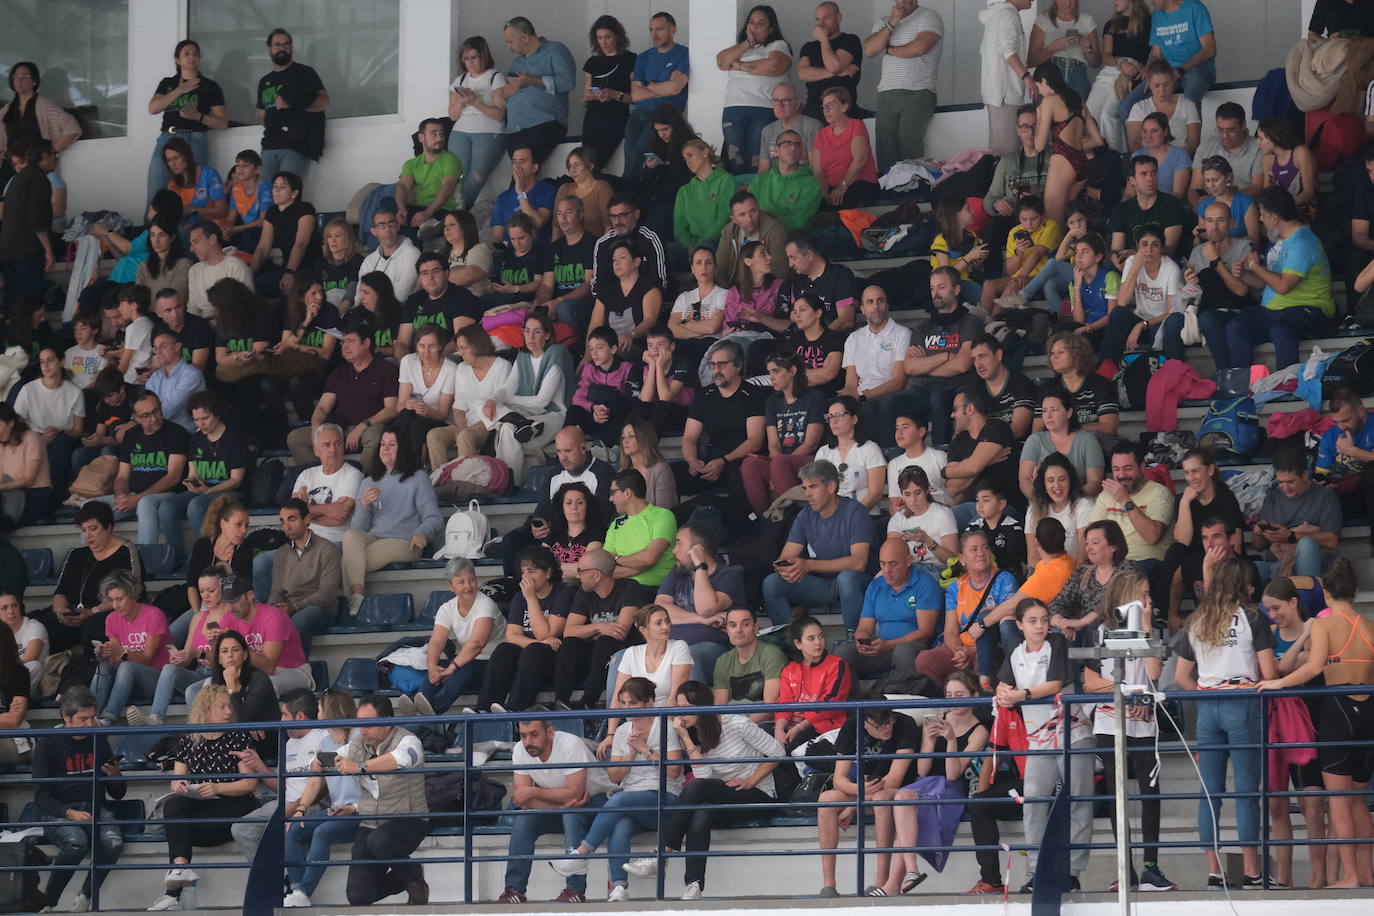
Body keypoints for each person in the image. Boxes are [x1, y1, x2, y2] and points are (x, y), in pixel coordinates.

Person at [1259, 557, 1374, 889]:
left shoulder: (1325, 625)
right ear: (1355, 592)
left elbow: (1313, 668)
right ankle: (1367, 873)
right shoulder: (1369, 626)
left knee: (1338, 799)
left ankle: (1350, 875)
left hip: (1338, 709)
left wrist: (1278, 683)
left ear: (1325, 595)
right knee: (1359, 800)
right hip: (1368, 710)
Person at [1173, 555, 1276, 890]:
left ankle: (1214, 872)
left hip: (1207, 706)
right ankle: (1252, 873)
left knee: (1209, 793)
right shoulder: (1252, 618)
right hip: (1242, 702)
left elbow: (1181, 677)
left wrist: (1206, 694)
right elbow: (1269, 673)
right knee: (1246, 792)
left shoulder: (1198, 619)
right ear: (1245, 587)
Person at [626, 680, 784, 899]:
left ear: (702, 705)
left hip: (758, 793)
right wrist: (685, 738)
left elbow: (778, 751)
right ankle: (693, 886)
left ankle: (661, 855)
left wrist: (750, 780)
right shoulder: (692, 734)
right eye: (679, 707)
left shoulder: (737, 724)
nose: (681, 713)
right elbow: (704, 777)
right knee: (701, 811)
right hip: (724, 796)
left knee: (698, 790)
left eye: (686, 707)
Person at [550, 676, 685, 902]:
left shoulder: (665, 727)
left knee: (619, 801)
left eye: (633, 703)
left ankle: (581, 854)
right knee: (620, 824)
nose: (626, 708)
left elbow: (674, 772)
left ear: (649, 702)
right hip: (632, 800)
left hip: (665, 799)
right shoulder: (622, 731)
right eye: (623, 703)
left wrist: (645, 750)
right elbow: (614, 777)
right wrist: (630, 755)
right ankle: (619, 887)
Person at [1080, 571, 1175, 890]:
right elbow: (1089, 682)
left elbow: (1155, 672)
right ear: (1125, 595)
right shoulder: (1099, 628)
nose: (1149, 600)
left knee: (1150, 792)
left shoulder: (1151, 626)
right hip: (1110, 720)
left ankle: (1151, 867)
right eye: (1143, 594)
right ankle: (1125, 870)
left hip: (1144, 721)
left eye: (1149, 594)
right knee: (1116, 793)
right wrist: (1125, 692)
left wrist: (1147, 628)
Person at [994, 598, 1094, 894]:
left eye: (1044, 619)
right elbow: (1003, 684)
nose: (1040, 626)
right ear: (1019, 625)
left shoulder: (1057, 642)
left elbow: (1055, 684)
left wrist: (1020, 694)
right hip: (1038, 737)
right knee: (1034, 802)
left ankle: (1072, 872)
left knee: (1078, 801)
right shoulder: (1015, 651)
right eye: (1033, 621)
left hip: (1072, 732)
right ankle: (1038, 870)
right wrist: (1003, 692)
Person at [147, 683, 260, 911]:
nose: (228, 711)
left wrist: (218, 788)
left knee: (178, 829)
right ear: (206, 709)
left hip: (235, 803)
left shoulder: (237, 737)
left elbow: (249, 784)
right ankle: (181, 869)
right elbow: (177, 779)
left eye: (229, 706)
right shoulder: (189, 739)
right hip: (201, 803)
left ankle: (174, 894)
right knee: (174, 804)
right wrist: (180, 785)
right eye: (222, 707)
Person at [496, 717, 611, 904]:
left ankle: (574, 890)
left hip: (600, 804)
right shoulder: (520, 750)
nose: (528, 742)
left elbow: (575, 793)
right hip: (565, 806)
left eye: (534, 734)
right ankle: (514, 890)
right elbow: (523, 802)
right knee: (524, 819)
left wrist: (533, 791)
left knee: (572, 814)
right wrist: (560, 805)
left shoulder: (570, 744)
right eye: (523, 736)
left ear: (549, 732)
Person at [32, 687, 126, 912]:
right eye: (83, 719)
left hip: (95, 807)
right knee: (76, 843)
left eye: (93, 718)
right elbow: (41, 796)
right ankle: (48, 901)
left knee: (113, 842)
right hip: (58, 811)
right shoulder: (47, 744)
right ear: (66, 717)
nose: (90, 724)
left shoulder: (99, 740)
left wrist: (115, 775)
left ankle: (85, 896)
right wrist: (69, 813)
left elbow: (118, 793)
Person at [335, 695, 431, 905]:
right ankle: (410, 872)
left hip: (409, 818)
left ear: (387, 722)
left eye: (368, 724)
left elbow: (401, 759)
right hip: (370, 821)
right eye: (359, 724)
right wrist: (317, 762)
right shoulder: (358, 743)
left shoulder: (408, 740)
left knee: (378, 840)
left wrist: (359, 767)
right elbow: (334, 756)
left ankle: (414, 879)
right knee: (358, 896)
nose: (362, 730)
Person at [816, 702, 920, 897]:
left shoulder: (905, 723)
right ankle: (829, 883)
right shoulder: (851, 726)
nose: (887, 727)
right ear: (864, 722)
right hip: (864, 791)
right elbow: (839, 780)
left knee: (881, 798)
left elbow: (894, 780)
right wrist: (859, 795)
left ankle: (881, 881)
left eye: (889, 721)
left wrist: (855, 805)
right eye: (880, 725)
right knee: (826, 800)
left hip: (895, 792)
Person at [1227, 186, 1335, 371]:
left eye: (1262, 215)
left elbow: (1283, 286)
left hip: (1308, 307)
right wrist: (1244, 274)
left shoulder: (1303, 242)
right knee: (1237, 325)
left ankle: (1287, 382)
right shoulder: (1278, 240)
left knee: (1281, 330)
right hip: (1274, 310)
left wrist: (1254, 266)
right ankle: (1242, 381)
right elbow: (1264, 283)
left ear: (1273, 218)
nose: (1260, 219)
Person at [762, 459, 873, 630]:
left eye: (813, 487)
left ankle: (855, 639)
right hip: (823, 585)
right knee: (772, 583)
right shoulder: (805, 515)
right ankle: (790, 640)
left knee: (846, 578)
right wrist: (785, 569)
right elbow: (785, 557)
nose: (807, 494)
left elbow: (859, 563)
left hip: (859, 582)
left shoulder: (855, 511)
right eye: (805, 488)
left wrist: (809, 565)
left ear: (831, 487)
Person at [342, 427, 444, 613]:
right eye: (382, 444)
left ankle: (352, 606)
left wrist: (422, 533)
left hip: (406, 540)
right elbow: (358, 528)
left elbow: (433, 516)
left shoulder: (418, 478)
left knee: (347, 561)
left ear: (402, 448)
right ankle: (357, 596)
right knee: (350, 536)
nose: (385, 449)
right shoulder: (368, 482)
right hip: (375, 537)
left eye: (391, 444)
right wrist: (363, 504)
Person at [498, 427, 616, 578]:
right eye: (559, 452)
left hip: (587, 533)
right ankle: (514, 585)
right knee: (512, 540)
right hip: (555, 532)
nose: (563, 457)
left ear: (583, 448)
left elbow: (603, 515)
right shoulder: (554, 474)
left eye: (568, 451)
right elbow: (541, 511)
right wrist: (538, 525)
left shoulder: (603, 472)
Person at [279, 689, 361, 907]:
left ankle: (304, 892)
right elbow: (315, 782)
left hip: (360, 810)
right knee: (292, 828)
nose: (317, 713)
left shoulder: (359, 737)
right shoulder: (325, 742)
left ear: (331, 711)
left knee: (322, 832)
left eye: (320, 708)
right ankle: (296, 890)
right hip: (336, 809)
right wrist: (300, 810)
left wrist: (354, 807)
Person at [33, 502, 142, 656]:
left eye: (93, 528)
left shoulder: (126, 551)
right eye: (84, 530)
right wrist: (60, 612)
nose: (88, 535)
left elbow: (130, 594)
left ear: (108, 527)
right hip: (75, 612)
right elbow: (60, 591)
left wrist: (93, 612)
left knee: (94, 626)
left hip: (108, 611)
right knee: (39, 625)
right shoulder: (77, 554)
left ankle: (94, 668)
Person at [835, 537, 942, 693]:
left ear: (909, 561)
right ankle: (853, 704)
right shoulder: (875, 586)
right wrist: (861, 641)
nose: (886, 570)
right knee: (843, 653)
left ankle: (903, 701)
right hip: (882, 649)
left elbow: (925, 632)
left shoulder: (925, 583)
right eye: (882, 564)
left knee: (903, 652)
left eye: (893, 564)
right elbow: (864, 627)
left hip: (913, 648)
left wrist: (889, 644)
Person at [674, 339, 765, 522]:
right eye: (713, 365)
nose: (716, 370)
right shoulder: (704, 395)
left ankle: (743, 524)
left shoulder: (754, 395)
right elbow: (689, 437)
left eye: (722, 364)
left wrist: (724, 460)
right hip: (711, 460)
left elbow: (755, 440)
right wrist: (692, 461)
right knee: (672, 472)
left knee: (739, 475)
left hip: (740, 460)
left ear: (738, 366)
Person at [476, 546, 574, 711]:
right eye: (523, 572)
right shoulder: (520, 597)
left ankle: (515, 708)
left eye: (532, 571)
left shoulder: (563, 593)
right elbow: (512, 635)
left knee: (534, 650)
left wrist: (531, 598)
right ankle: (484, 708)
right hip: (528, 657)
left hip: (553, 661)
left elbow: (546, 634)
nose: (526, 577)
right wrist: (537, 643)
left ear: (548, 573)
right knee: (504, 649)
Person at [288, 322, 399, 468]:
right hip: (340, 428)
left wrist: (363, 426)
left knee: (376, 435)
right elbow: (322, 407)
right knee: (296, 438)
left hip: (369, 427)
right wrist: (316, 427)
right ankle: (321, 475)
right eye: (343, 342)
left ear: (366, 343)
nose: (345, 346)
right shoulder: (339, 373)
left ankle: (360, 478)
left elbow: (391, 409)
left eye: (350, 341)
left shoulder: (386, 369)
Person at [86, 391, 187, 549]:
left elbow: (173, 477)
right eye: (146, 415)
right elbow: (122, 476)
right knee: (89, 507)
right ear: (136, 418)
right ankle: (91, 558)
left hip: (167, 496)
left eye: (156, 411)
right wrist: (122, 496)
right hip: (134, 496)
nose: (153, 418)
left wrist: (138, 498)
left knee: (145, 503)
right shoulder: (131, 435)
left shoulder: (176, 432)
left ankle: (145, 558)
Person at [1161, 447, 1244, 629]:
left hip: (1220, 554)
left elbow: (1235, 542)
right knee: (1174, 552)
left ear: (1210, 470)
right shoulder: (1183, 499)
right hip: (1193, 556)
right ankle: (1166, 616)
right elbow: (1183, 540)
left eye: (1196, 471)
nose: (1191, 478)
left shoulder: (1226, 498)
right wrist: (1185, 502)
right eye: (1187, 473)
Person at [906, 270, 986, 449]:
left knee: (938, 398)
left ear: (956, 289)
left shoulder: (970, 322)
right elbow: (910, 367)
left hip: (956, 385)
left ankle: (941, 453)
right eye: (932, 288)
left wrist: (926, 365)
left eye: (941, 287)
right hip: (921, 388)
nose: (936, 293)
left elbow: (962, 364)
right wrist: (946, 356)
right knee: (885, 403)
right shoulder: (922, 328)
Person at [655, 524, 744, 683]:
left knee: (687, 657)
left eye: (679, 543)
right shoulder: (677, 573)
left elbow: (707, 609)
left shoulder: (729, 575)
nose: (674, 551)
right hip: (670, 647)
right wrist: (701, 620)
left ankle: (691, 700)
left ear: (697, 549)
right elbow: (659, 610)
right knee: (620, 657)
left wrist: (700, 566)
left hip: (710, 649)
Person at [862, 0, 944, 171]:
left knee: (909, 146)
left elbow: (919, 48)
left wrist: (888, 50)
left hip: (918, 90)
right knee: (885, 149)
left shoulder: (929, 16)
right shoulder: (883, 21)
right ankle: (890, 187)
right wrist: (892, 22)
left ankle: (915, 187)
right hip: (886, 93)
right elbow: (869, 50)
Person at [554, 546, 640, 709]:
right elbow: (569, 632)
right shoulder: (584, 592)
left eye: (581, 571)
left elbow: (620, 632)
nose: (577, 575)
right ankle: (560, 702)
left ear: (596, 575)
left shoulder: (629, 587)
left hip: (624, 653)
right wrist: (599, 627)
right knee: (571, 643)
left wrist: (589, 631)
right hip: (597, 653)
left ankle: (587, 702)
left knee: (604, 641)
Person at [741, 351, 824, 516]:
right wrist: (776, 465)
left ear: (792, 371)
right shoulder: (772, 401)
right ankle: (767, 518)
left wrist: (780, 464)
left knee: (780, 463)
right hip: (780, 461)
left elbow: (810, 444)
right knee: (749, 465)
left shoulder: (815, 396)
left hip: (809, 460)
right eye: (769, 372)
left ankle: (794, 518)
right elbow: (773, 444)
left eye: (776, 371)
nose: (771, 377)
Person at [838, 284, 917, 450]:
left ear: (887, 305)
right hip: (862, 397)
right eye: (870, 302)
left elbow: (898, 381)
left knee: (870, 408)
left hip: (890, 395)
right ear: (862, 309)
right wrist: (849, 398)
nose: (876, 306)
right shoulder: (854, 338)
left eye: (880, 301)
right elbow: (851, 384)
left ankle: (884, 455)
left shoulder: (902, 334)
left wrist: (865, 396)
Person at [716, 6, 793, 175]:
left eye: (760, 23)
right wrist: (748, 43)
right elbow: (722, 62)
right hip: (734, 107)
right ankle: (739, 191)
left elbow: (773, 66)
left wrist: (740, 66)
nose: (754, 27)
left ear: (770, 28)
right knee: (734, 157)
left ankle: (754, 190)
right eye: (751, 22)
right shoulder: (740, 48)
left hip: (764, 107)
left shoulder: (778, 45)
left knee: (756, 158)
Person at [1253, 444, 1342, 581]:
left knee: (1306, 544)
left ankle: (1308, 591)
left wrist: (1291, 536)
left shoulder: (1325, 496)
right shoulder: (1272, 497)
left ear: (1305, 475)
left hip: (1314, 564)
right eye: (1280, 482)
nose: (1285, 487)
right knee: (1244, 570)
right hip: (1277, 565)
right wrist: (1258, 532)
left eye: (1291, 482)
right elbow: (1258, 547)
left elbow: (1332, 541)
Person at [1099, 223, 1183, 368]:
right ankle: (1106, 368)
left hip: (1161, 323)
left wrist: (1142, 325)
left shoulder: (1171, 269)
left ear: (1162, 248)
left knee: (1170, 324)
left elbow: (1171, 312)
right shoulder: (1133, 261)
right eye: (1144, 244)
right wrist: (1135, 269)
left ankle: (1172, 372)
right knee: (1118, 313)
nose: (1149, 250)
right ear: (1137, 246)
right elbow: (1122, 302)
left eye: (1155, 245)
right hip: (1140, 319)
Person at [496, 17, 577, 162]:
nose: (508, 47)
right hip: (515, 128)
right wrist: (505, 93)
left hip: (544, 124)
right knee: (520, 172)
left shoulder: (555, 50)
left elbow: (568, 82)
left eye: (510, 42)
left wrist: (531, 81)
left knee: (526, 170)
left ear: (524, 38)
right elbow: (508, 91)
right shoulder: (517, 62)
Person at [1117, 0, 1217, 117]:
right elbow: (1156, 55)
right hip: (1167, 71)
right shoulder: (1157, 15)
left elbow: (1210, 49)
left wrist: (1180, 70)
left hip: (1197, 68)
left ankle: (1191, 129)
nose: (1151, 1)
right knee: (1126, 107)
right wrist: (1150, 72)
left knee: (1189, 103)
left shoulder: (1194, 7)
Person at [623, 14, 691, 186]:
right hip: (638, 113)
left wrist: (648, 86)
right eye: (651, 30)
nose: (654, 34)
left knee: (637, 159)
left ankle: (626, 196)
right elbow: (635, 95)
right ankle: (627, 197)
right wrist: (663, 87)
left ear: (673, 30)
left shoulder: (683, 54)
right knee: (630, 161)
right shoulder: (643, 57)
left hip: (662, 116)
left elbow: (675, 89)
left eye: (659, 29)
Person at [268, 498, 341, 656]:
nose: (286, 526)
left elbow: (327, 595)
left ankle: (299, 667)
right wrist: (274, 609)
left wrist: (294, 607)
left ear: (307, 519)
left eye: (292, 519)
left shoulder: (328, 550)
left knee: (299, 621)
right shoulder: (281, 553)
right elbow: (277, 590)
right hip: (290, 606)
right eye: (283, 521)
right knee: (265, 619)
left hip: (320, 608)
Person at [1091, 442, 1174, 578]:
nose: (1121, 475)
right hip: (1114, 565)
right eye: (1116, 469)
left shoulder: (1159, 492)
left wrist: (1126, 501)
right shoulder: (1106, 496)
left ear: (1142, 468)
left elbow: (1153, 536)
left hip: (1148, 564)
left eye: (1128, 468)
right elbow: (1092, 536)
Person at [255, 30, 328, 180]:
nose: (282, 48)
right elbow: (262, 114)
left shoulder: (305, 73)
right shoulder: (264, 81)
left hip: (296, 145)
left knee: (287, 189)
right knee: (267, 192)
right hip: (269, 145)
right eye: (277, 44)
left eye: (286, 44)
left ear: (291, 48)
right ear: (269, 49)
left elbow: (324, 102)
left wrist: (293, 104)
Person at [1030, 63, 1095, 226]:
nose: (1039, 92)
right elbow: (1098, 140)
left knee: (1052, 221)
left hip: (1063, 161)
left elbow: (1039, 145)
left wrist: (1039, 116)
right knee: (1068, 219)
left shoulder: (1049, 102)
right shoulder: (1077, 100)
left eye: (1038, 86)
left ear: (1044, 81)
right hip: (1082, 162)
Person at [775, 614, 851, 753]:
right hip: (793, 724)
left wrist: (800, 727)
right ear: (798, 644)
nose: (818, 642)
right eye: (811, 638)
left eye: (821, 636)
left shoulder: (837, 665)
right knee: (765, 737)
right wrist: (779, 729)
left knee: (793, 744)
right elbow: (784, 702)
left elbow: (831, 702)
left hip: (823, 725)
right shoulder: (790, 670)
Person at [448, 36, 508, 209]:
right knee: (457, 176)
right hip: (460, 131)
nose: (470, 62)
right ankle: (456, 212)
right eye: (466, 58)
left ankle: (459, 211)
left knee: (477, 177)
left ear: (483, 56)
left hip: (488, 131)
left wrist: (474, 102)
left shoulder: (494, 77)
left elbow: (500, 114)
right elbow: (452, 115)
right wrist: (462, 100)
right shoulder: (460, 80)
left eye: (474, 57)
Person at [14, 347, 82, 498]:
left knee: (62, 444)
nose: (45, 365)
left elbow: (77, 431)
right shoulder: (28, 389)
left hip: (63, 437)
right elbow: (16, 424)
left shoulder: (75, 392)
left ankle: (56, 494)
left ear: (61, 362)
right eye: (41, 362)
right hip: (33, 437)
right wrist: (37, 437)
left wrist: (60, 430)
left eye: (50, 360)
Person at [981, 194, 1062, 318]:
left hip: (1041, 276)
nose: (1029, 224)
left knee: (1014, 283)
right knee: (989, 284)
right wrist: (1018, 253)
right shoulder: (1014, 232)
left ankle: (992, 320)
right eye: (1024, 219)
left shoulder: (1050, 226)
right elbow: (1010, 271)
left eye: (1034, 219)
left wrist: (1022, 275)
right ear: (1018, 218)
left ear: (1042, 216)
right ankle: (981, 318)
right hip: (1019, 277)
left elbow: (1037, 253)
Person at [1018, 389, 1104, 500]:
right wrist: (1041, 501)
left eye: (1053, 410)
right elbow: (1025, 480)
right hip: (1043, 502)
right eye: (1044, 411)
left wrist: (1069, 501)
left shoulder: (1087, 440)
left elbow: (1095, 482)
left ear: (1069, 413)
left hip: (1079, 502)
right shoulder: (1035, 440)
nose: (1048, 415)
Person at [942, 386, 1018, 512]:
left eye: (955, 409)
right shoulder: (957, 442)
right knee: (943, 518)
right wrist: (986, 462)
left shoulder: (996, 427)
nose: (952, 415)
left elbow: (973, 468)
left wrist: (945, 472)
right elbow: (952, 488)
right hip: (969, 506)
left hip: (1001, 506)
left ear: (970, 409)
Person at [578, 16, 635, 180]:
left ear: (617, 36)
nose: (604, 42)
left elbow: (636, 97)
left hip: (615, 118)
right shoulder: (592, 62)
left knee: (595, 164)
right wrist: (590, 96)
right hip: (592, 117)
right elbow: (584, 97)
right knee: (585, 161)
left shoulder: (629, 60)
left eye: (607, 37)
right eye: (600, 38)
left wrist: (615, 94)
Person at [1317, 387, 1374, 549]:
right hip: (1348, 497)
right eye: (1337, 422)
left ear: (1360, 411)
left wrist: (1352, 451)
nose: (1341, 427)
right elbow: (1321, 476)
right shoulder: (1330, 436)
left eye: (1346, 420)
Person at [392, 324, 457, 462]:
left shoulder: (450, 369)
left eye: (431, 346)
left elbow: (443, 414)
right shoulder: (408, 361)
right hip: (411, 417)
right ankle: (398, 464)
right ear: (416, 346)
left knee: (417, 425)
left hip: (438, 421)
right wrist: (407, 405)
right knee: (404, 416)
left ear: (440, 346)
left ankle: (413, 466)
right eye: (422, 346)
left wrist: (427, 410)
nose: (426, 352)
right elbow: (399, 406)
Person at [0, 139, 55, 301]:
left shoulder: (19, 178)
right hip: (27, 248)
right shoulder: (37, 178)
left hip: (10, 247)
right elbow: (36, 218)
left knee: (16, 299)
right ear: (45, 156)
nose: (56, 158)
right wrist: (48, 249)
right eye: (54, 154)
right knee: (30, 300)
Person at [1108, 156, 1189, 265]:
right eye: (1144, 174)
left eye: (1153, 173)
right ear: (1132, 180)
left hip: (1164, 265)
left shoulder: (1171, 204)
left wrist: (1137, 255)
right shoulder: (1121, 210)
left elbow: (1169, 250)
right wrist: (1116, 259)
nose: (1150, 178)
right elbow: (1116, 249)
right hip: (1131, 264)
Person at [248, 172, 318, 297]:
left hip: (306, 268)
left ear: (294, 193)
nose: (276, 190)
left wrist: (289, 272)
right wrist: (248, 275)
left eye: (282, 187)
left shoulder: (305, 209)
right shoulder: (272, 212)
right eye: (275, 186)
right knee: (252, 285)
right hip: (283, 268)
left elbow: (301, 244)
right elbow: (263, 247)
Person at [980, 0, 1036, 154]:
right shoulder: (1007, 15)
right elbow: (1008, 52)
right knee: (1006, 154)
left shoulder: (1002, 14)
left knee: (1003, 152)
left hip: (1001, 94)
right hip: (1004, 95)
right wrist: (1026, 76)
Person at [1040, 331, 1120, 437]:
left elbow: (1109, 427)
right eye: (1052, 353)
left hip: (1095, 442)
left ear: (1077, 355)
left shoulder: (1100, 384)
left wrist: (1069, 431)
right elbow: (1038, 431)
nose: (1054, 357)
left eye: (1061, 352)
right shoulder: (1047, 388)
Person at [984, 107, 1051, 232]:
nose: (1030, 132)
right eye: (1025, 127)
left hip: (1044, 217)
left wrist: (1038, 200)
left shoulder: (1054, 157)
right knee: (993, 227)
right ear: (1018, 130)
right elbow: (989, 199)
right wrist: (996, 204)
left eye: (1035, 126)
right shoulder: (1007, 161)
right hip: (1013, 218)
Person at [811, 87, 879, 207]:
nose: (825, 110)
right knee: (812, 201)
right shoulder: (820, 135)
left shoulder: (856, 125)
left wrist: (842, 186)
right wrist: (823, 192)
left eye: (830, 105)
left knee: (842, 200)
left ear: (844, 107)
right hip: (832, 187)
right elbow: (818, 171)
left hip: (859, 183)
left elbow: (860, 159)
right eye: (824, 106)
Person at [815, 394, 885, 510]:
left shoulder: (870, 449)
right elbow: (819, 490)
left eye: (839, 415)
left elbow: (875, 493)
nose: (834, 421)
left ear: (854, 419)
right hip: (831, 514)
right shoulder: (823, 452)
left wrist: (852, 515)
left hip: (863, 514)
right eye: (830, 417)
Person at [0, 62, 80, 163]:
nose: (20, 80)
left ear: (34, 81)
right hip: (10, 165)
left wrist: (50, 152)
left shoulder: (44, 105)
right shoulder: (7, 109)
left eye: (25, 76)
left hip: (33, 165)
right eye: (16, 76)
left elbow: (72, 128)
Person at [535, 198, 596, 327]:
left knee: (563, 307)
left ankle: (572, 340)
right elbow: (546, 286)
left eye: (568, 212)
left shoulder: (593, 244)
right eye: (559, 213)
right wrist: (539, 303)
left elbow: (589, 285)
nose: (563, 218)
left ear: (580, 215)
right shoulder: (553, 248)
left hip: (584, 302)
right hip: (557, 302)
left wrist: (558, 301)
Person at [712, 606, 785, 714]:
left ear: (756, 628)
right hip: (733, 721)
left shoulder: (771, 654)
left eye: (745, 624)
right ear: (726, 630)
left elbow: (770, 707)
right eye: (733, 625)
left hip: (764, 722)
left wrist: (745, 724)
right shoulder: (723, 661)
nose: (738, 630)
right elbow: (719, 708)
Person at [1025, 453, 1094, 564]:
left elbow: (1083, 558)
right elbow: (1033, 558)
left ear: (1070, 481)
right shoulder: (1033, 509)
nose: (1057, 485)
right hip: (1044, 571)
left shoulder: (1083, 506)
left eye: (1062, 479)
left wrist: (1061, 571)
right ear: (1043, 484)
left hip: (1074, 570)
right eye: (1050, 480)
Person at [1189, 101, 1264, 203]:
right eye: (1220, 130)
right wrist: (1197, 206)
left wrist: (1224, 200)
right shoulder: (1206, 147)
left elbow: (1258, 187)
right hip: (1208, 206)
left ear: (1243, 126)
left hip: (1242, 205)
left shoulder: (1258, 148)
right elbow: (1195, 188)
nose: (1225, 136)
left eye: (1231, 130)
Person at [887, 464, 958, 570]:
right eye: (907, 494)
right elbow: (891, 555)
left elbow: (953, 561)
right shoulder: (898, 519)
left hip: (937, 569)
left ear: (927, 490)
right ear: (901, 495)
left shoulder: (942, 514)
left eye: (917, 493)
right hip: (907, 570)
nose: (913, 500)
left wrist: (927, 541)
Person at [395, 118, 461, 232]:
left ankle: (424, 228)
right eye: (434, 134)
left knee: (410, 224)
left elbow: (448, 187)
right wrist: (401, 208)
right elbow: (403, 186)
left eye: (441, 134)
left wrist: (428, 212)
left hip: (443, 210)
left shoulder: (451, 159)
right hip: (419, 209)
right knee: (386, 202)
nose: (439, 138)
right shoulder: (411, 164)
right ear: (421, 138)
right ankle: (423, 227)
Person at [1125, 60, 1201, 156]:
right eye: (1156, 86)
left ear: (1173, 81)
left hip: (1180, 159)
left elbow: (1193, 142)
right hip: (1147, 161)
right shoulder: (1139, 108)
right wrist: (1151, 160)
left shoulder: (1188, 105)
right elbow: (1134, 142)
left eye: (1166, 85)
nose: (1162, 90)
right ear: (1149, 84)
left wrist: (1177, 159)